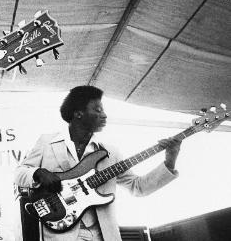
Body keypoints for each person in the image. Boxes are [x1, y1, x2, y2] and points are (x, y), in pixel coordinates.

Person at [14, 86, 181, 241]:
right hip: (59, 234)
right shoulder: (46, 142)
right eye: (97, 109)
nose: (104, 115)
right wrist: (38, 173)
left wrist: (170, 160)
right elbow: (20, 173)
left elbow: (138, 187)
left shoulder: (110, 153)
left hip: (101, 235)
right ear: (78, 113)